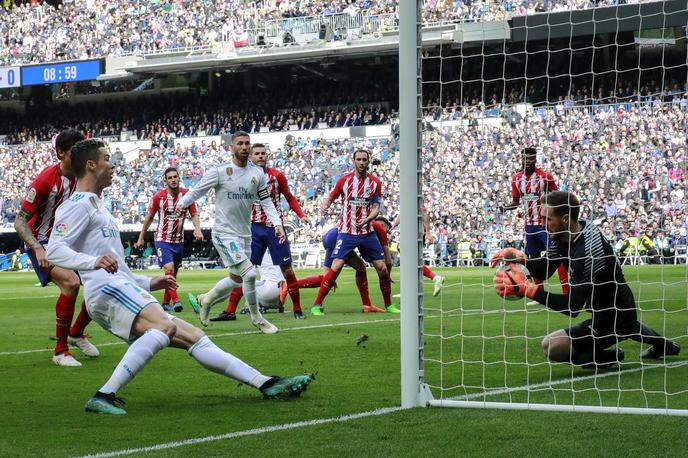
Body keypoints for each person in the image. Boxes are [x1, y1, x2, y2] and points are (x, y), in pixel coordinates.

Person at [45, 139, 311, 415]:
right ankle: (104, 394)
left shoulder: (98, 205)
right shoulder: (76, 204)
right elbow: (55, 250)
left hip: (120, 286)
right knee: (163, 328)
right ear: (91, 165)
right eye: (107, 159)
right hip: (105, 290)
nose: (112, 165)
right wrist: (93, 262)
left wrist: (149, 282)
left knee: (194, 336)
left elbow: (118, 267)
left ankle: (266, 383)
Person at [492, 191, 680, 369]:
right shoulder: (565, 233)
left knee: (552, 347)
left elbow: (572, 307)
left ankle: (610, 356)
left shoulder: (587, 250)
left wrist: (529, 290)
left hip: (614, 315)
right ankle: (663, 345)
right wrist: (520, 258)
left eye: (547, 218)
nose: (542, 223)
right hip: (607, 310)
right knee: (630, 326)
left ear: (565, 219)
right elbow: (545, 270)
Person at [176, 131, 285, 333]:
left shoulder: (257, 174)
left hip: (244, 234)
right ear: (231, 147)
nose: (244, 147)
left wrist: (277, 223)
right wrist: (183, 203)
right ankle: (257, 318)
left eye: (247, 144)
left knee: (236, 279)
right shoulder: (220, 171)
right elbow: (198, 189)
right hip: (224, 233)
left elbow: (266, 201)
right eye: (240, 144)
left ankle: (206, 300)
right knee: (250, 274)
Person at [14, 129, 98, 367]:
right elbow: (20, 220)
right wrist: (38, 248)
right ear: (61, 153)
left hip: (68, 242)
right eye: (75, 150)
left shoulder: (84, 177)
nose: (82, 155)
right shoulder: (45, 180)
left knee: (103, 279)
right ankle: (60, 351)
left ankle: (77, 332)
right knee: (71, 283)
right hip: (43, 243)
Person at [312, 149, 394, 315]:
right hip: (347, 232)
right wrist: (325, 206)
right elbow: (331, 196)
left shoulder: (375, 183)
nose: (362, 162)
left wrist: (367, 219)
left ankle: (388, 305)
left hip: (367, 233)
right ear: (353, 161)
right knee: (336, 265)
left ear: (368, 161)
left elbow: (376, 207)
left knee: (382, 268)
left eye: (365, 159)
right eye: (359, 159)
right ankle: (316, 305)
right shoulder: (344, 181)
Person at [247, 144, 311, 319]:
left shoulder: (277, 176)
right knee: (246, 270)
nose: (260, 156)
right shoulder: (244, 177)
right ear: (251, 157)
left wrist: (301, 214)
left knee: (287, 270)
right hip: (253, 227)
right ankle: (231, 310)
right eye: (257, 154)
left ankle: (297, 309)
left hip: (275, 228)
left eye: (263, 153)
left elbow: (289, 197)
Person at [501, 147, 569, 302]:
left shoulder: (545, 177)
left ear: (535, 159)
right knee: (533, 258)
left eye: (531, 158)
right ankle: (539, 294)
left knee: (557, 256)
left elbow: (556, 197)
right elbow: (515, 202)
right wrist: (506, 208)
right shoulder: (517, 179)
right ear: (521, 159)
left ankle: (567, 292)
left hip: (545, 225)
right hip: (529, 226)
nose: (528, 161)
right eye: (525, 158)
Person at [135, 167, 204, 312]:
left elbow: (194, 214)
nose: (173, 180)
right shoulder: (158, 198)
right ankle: (176, 301)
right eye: (170, 178)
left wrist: (197, 229)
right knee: (169, 269)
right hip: (162, 239)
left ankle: (165, 303)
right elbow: (149, 218)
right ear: (165, 181)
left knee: (173, 274)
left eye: (175, 177)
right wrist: (141, 237)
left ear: (179, 178)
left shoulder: (187, 196)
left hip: (178, 240)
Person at [390, 207, 445, 296]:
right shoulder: (407, 201)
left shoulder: (414, 197)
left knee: (410, 261)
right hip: (409, 232)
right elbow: (402, 215)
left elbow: (425, 214)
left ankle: (409, 290)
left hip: (415, 233)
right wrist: (393, 226)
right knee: (411, 262)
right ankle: (434, 278)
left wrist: (428, 232)